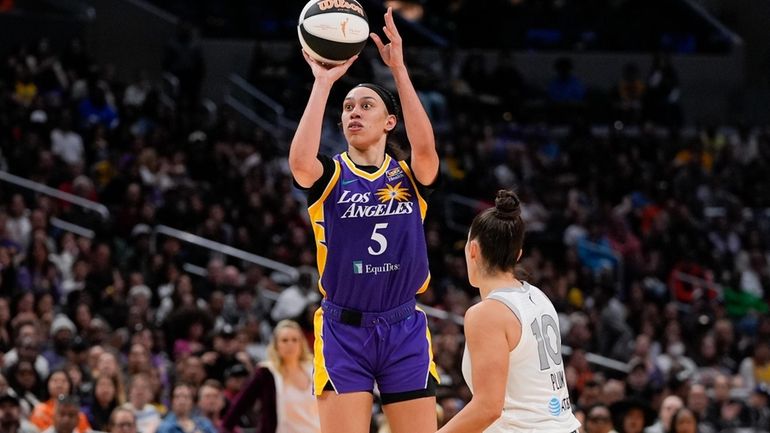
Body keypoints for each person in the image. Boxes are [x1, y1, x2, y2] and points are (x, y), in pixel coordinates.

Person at [288, 7, 439, 433]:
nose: (353, 112)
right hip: (344, 331)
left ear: (390, 122)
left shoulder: (410, 176)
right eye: (348, 107)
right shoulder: (332, 176)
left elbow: (426, 150)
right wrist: (322, 83)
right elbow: (300, 163)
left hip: (404, 326)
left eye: (366, 105)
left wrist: (399, 69)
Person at [436, 190, 581, 433]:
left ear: (472, 250)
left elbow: (488, 408)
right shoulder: (539, 297)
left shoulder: (486, 313)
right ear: (518, 254)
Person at [221, 320, 319, 433]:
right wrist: (225, 428)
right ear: (276, 345)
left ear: (302, 343)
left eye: (294, 340)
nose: (290, 344)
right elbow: (240, 404)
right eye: (284, 340)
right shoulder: (266, 372)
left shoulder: (313, 368)